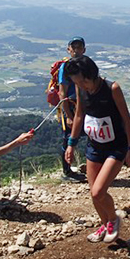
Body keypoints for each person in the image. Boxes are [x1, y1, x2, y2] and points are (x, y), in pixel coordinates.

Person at [63, 56, 130, 243]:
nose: (81, 85)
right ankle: (105, 225)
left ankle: (113, 219)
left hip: (115, 146)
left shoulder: (113, 89)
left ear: (92, 74)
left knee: (98, 192)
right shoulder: (81, 89)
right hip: (94, 145)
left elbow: (126, 120)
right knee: (94, 194)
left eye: (84, 80)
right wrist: (71, 143)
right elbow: (79, 115)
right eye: (77, 82)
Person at [58, 36, 87, 182]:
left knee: (91, 135)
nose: (76, 50)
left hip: (85, 105)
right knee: (69, 139)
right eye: (73, 47)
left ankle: (91, 166)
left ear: (84, 49)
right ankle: (67, 172)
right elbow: (62, 93)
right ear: (68, 50)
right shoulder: (65, 67)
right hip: (71, 106)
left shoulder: (87, 64)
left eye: (79, 47)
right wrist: (68, 116)